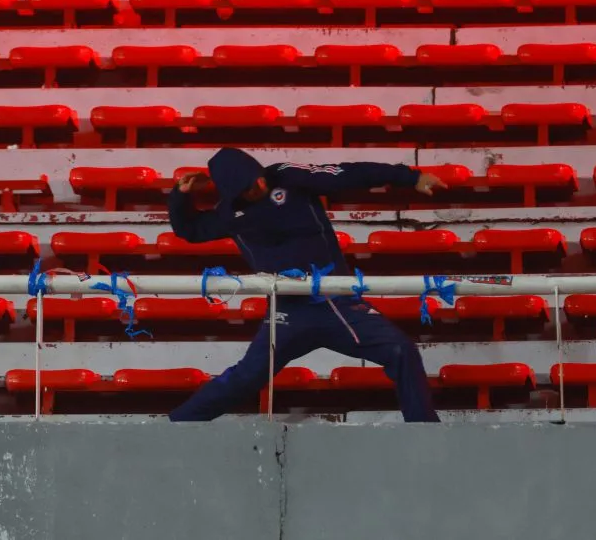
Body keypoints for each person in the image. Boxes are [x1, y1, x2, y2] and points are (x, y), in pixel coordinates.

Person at [167, 148, 448, 423]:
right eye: (250, 187)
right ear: (234, 192)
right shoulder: (228, 214)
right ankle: (177, 424)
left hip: (336, 302)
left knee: (401, 351)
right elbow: (189, 230)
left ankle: (424, 433)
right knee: (246, 377)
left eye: (258, 177)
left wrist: (411, 177)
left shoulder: (288, 176)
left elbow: (348, 174)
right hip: (286, 312)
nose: (260, 185)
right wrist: (180, 195)